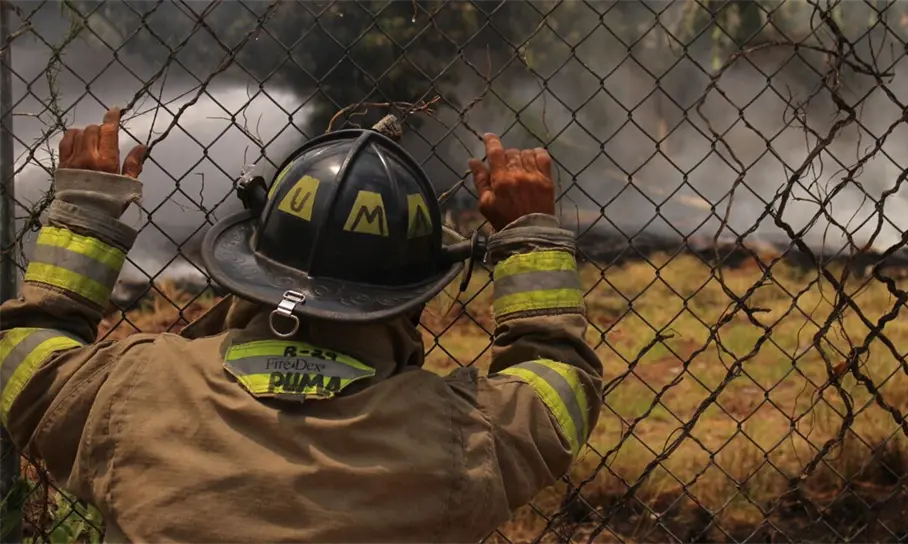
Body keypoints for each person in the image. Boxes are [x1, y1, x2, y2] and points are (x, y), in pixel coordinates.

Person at [0, 105, 603, 543]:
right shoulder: (460, 439)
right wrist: (530, 238)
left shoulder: (134, 391)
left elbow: (28, 356)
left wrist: (85, 209)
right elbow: (559, 385)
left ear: (249, 261)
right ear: (412, 292)